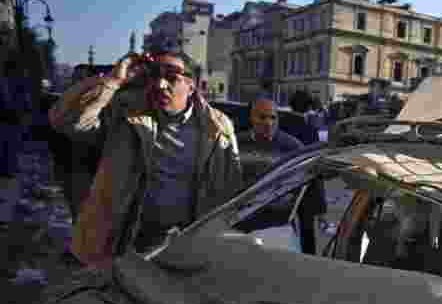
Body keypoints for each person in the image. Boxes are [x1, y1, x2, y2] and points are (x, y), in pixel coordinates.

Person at [49, 51, 242, 267]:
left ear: (192, 84)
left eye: (171, 76)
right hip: (123, 242)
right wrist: (114, 80)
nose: (160, 84)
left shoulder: (218, 126)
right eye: (154, 75)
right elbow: (64, 120)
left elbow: (230, 190)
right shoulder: (125, 111)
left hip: (184, 245)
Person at [236, 98, 326, 255]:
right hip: (242, 226)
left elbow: (309, 182)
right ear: (251, 117)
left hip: (278, 227)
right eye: (262, 117)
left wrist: (318, 212)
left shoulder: (292, 147)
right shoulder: (237, 143)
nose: (268, 123)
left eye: (272, 117)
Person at [0, 59, 30, 178]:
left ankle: (7, 168)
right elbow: (25, 101)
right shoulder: (19, 82)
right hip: (11, 118)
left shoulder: (10, 81)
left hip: (9, 118)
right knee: (10, 145)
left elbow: (24, 100)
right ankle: (8, 169)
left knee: (8, 145)